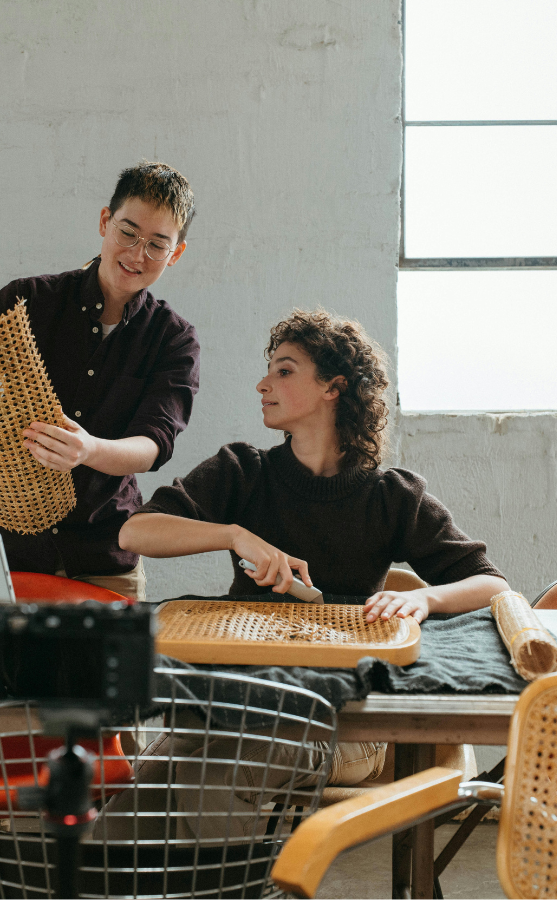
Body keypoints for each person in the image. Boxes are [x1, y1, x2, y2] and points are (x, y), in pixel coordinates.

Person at [96, 308, 508, 841]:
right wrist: (232, 533)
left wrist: (426, 601)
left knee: (209, 779)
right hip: (244, 697)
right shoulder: (241, 471)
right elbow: (135, 534)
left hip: (348, 718)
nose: (263, 384)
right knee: (144, 788)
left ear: (333, 388)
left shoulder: (391, 496)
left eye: (284, 370)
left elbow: (491, 584)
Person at [0, 162, 200, 601]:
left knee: (103, 672)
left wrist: (90, 450)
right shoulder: (26, 303)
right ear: (105, 221)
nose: (137, 254)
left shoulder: (173, 338)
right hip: (6, 553)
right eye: (128, 232)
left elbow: (153, 444)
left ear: (175, 253)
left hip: (104, 554)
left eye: (157, 244)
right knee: (0, 672)